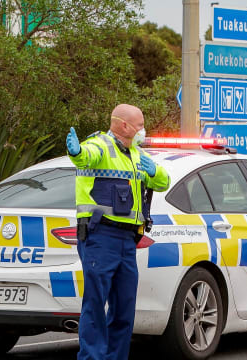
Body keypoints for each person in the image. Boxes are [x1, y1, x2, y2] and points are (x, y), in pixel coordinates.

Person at [66, 104, 170, 360]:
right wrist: (76, 151)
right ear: (124, 125)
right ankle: (92, 357)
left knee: (124, 307)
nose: (142, 130)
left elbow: (163, 182)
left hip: (127, 239)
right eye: (139, 125)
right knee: (95, 303)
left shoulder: (136, 154)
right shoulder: (101, 146)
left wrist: (154, 170)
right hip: (101, 235)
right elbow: (85, 157)